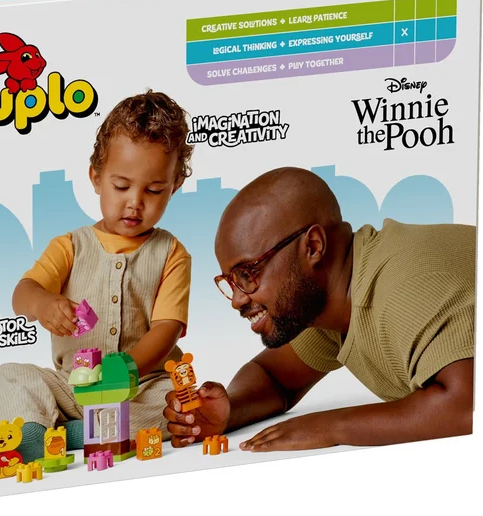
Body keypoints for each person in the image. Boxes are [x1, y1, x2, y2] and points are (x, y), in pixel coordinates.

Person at [165, 167, 474, 451]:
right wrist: (229, 410)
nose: (237, 300)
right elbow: (274, 377)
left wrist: (332, 427)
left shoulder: (404, 287)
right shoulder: (333, 300)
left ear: (313, 246)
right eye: (230, 282)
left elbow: (467, 407)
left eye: (247, 273)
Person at [0, 90, 194, 461]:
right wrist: (43, 303)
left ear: (174, 185)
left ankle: (77, 434)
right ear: (96, 178)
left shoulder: (171, 254)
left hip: (139, 387)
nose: (135, 202)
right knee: (9, 376)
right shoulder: (70, 246)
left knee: (176, 404)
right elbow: (23, 293)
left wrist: (127, 368)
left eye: (154, 190)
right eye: (121, 186)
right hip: (72, 388)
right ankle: (32, 432)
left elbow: (168, 328)